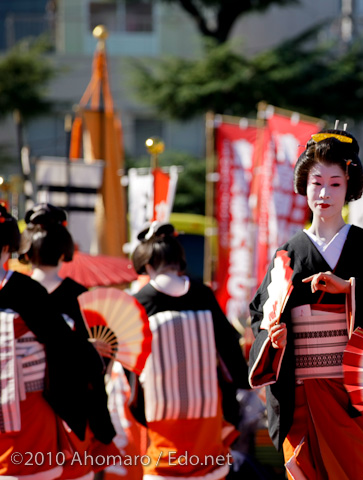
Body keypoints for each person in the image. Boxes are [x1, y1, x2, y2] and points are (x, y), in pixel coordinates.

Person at [248, 129, 363, 479]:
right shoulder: (287, 255)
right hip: (303, 397)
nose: (324, 193)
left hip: (355, 395)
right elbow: (258, 316)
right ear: (303, 186)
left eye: (335, 184)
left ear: (350, 188)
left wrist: (351, 289)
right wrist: (273, 340)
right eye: (316, 182)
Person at [130, 222, 250, 479]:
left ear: (148, 265)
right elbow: (229, 352)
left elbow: (132, 370)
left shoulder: (140, 302)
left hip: (160, 416)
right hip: (207, 415)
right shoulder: (202, 294)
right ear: (178, 259)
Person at [0, 204, 109, 479]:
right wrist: (94, 356)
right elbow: (72, 349)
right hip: (42, 407)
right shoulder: (35, 293)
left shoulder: (25, 288)